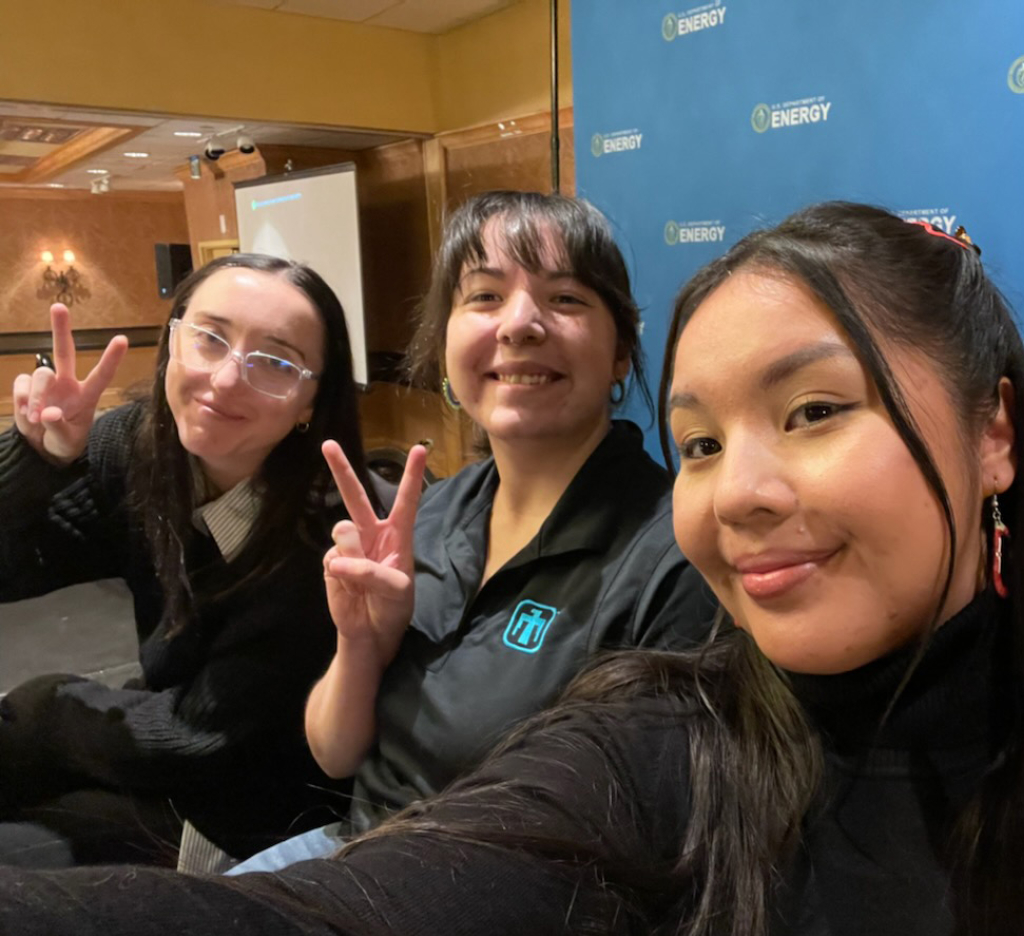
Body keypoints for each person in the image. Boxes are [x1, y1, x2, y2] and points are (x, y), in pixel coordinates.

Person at [0, 203, 1024, 936]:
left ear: (994, 432)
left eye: (813, 411)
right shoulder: (655, 735)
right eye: (700, 442)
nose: (739, 493)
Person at [227, 190, 717, 873]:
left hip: (480, 905)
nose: (519, 323)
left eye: (567, 299)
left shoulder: (671, 552)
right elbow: (335, 755)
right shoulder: (436, 508)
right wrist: (362, 642)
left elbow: (637, 847)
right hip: (356, 845)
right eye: (484, 296)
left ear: (621, 355)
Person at [0, 254, 371, 867]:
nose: (225, 380)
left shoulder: (330, 537)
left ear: (311, 401)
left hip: (244, 808)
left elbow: (203, 741)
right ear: (172, 342)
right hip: (145, 745)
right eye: (209, 339)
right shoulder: (137, 446)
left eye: (275, 362)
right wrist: (35, 461)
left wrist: (47, 712)